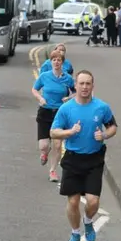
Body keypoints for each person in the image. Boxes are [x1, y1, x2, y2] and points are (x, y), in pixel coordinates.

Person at [50, 70, 118, 241]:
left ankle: (88, 221)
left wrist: (103, 135)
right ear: (76, 86)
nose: (85, 87)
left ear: (93, 86)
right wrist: (69, 132)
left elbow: (113, 127)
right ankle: (74, 234)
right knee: (72, 201)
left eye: (88, 84)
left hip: (94, 160)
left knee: (93, 201)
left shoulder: (102, 107)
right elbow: (53, 131)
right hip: (73, 160)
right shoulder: (66, 109)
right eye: (82, 83)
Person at [32, 50, 76, 182]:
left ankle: (53, 171)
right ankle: (44, 153)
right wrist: (40, 98)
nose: (56, 62)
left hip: (60, 113)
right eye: (54, 60)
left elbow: (75, 92)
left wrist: (69, 98)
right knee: (44, 145)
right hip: (45, 112)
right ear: (50, 62)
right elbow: (34, 89)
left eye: (59, 60)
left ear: (62, 62)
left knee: (57, 145)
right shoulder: (44, 76)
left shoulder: (67, 78)